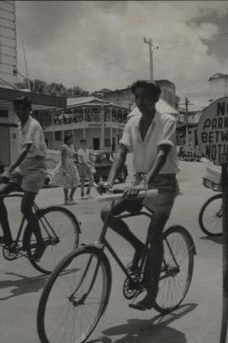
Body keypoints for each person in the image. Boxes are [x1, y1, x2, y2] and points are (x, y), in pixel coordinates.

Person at [98, 80, 180, 311]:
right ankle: (138, 247)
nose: (141, 101)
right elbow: (121, 152)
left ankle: (152, 292)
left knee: (154, 234)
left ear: (155, 99)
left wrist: (145, 181)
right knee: (106, 213)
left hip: (163, 182)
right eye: (138, 97)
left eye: (146, 97)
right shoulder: (132, 123)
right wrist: (111, 180)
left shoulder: (167, 121)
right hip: (138, 181)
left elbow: (163, 153)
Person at [0, 96, 48, 256]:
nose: (20, 112)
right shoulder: (19, 125)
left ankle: (41, 243)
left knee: (25, 208)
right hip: (22, 169)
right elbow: (21, 153)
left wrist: (8, 170)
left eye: (23, 109)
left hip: (36, 169)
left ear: (30, 109)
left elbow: (25, 150)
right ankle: (8, 238)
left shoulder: (33, 125)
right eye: (17, 109)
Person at [50, 134, 80, 205]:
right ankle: (66, 199)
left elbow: (72, 155)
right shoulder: (63, 147)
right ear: (67, 139)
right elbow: (63, 158)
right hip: (66, 164)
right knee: (66, 182)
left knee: (76, 180)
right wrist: (64, 169)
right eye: (70, 139)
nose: (72, 140)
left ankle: (71, 197)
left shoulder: (71, 146)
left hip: (72, 164)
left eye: (72, 138)